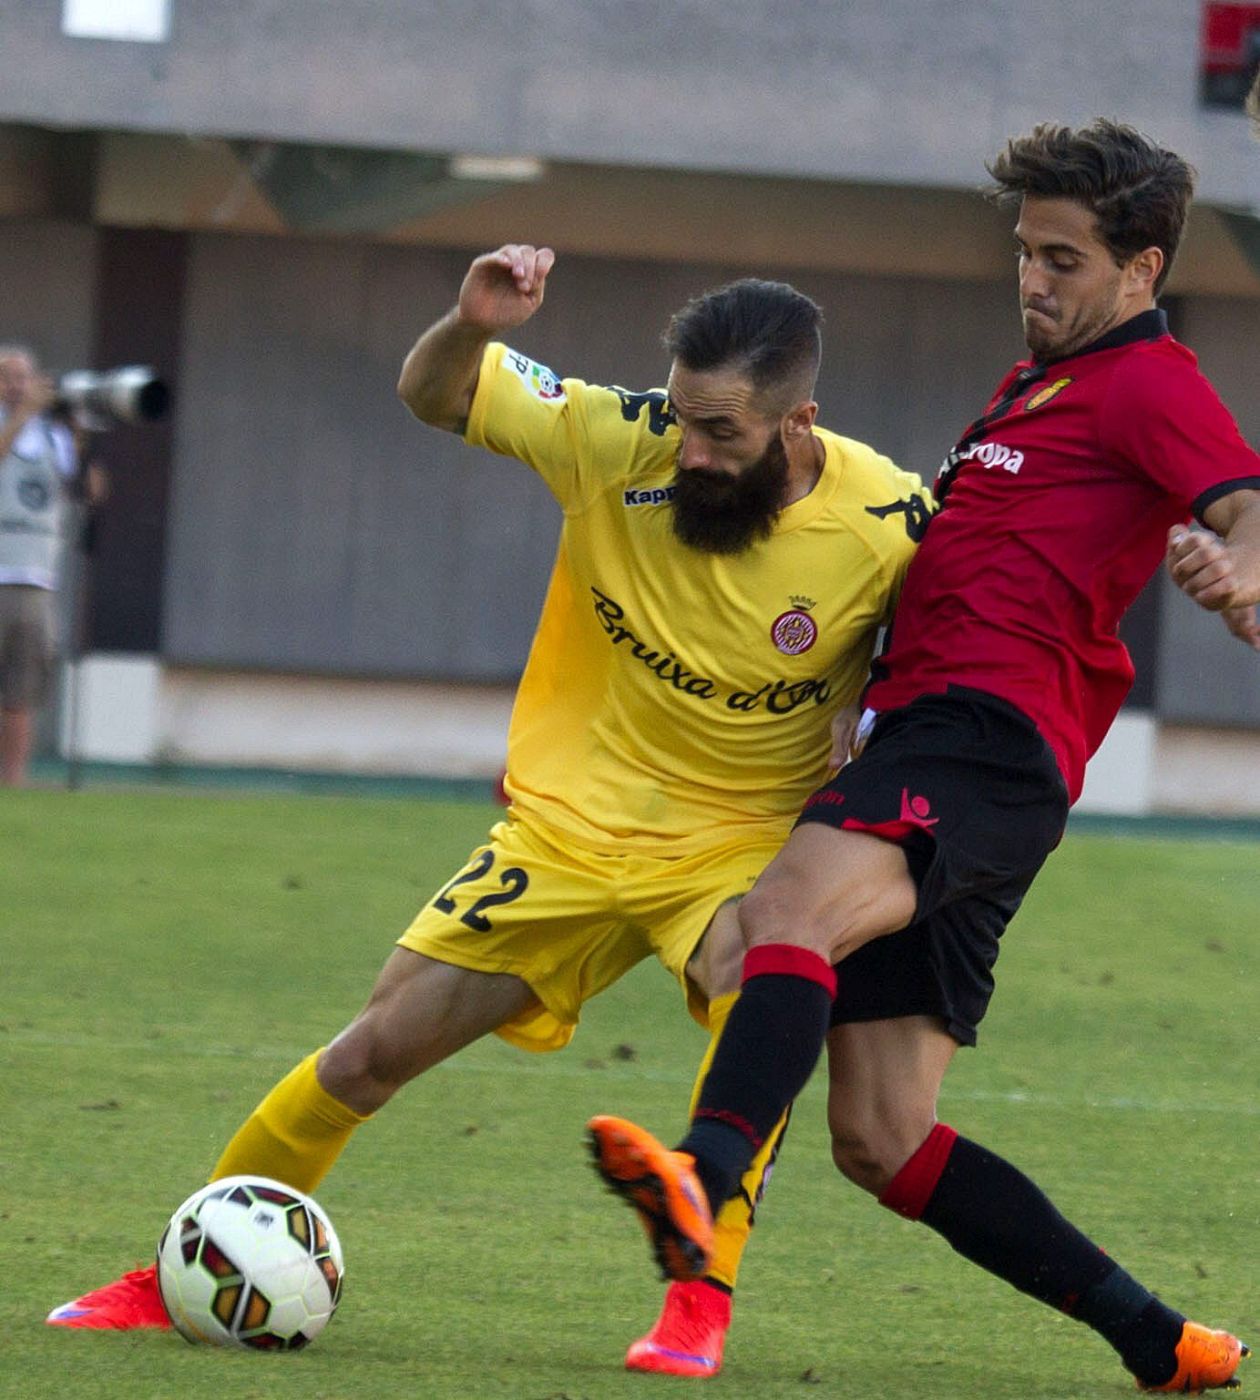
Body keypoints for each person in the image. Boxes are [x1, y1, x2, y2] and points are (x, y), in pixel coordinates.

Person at [48, 245, 934, 1375]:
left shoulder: (891, 521)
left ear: (798, 421)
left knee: (759, 983)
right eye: (683, 419)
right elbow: (435, 394)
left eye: (723, 432)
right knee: (368, 1053)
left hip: (739, 845)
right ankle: (175, 1267)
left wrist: (875, 719)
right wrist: (471, 325)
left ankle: (697, 1302)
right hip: (566, 831)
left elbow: (950, 658)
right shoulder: (616, 437)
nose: (691, 451)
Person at [589, 119, 1260, 1394]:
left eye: (1064, 259)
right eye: (1026, 253)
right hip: (944, 742)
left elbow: (1244, 498)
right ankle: (1163, 1339)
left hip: (986, 736)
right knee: (883, 1136)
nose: (1034, 281)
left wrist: (1245, 570)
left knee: (785, 908)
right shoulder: (1033, 389)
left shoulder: (1147, 381)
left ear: (1142, 269)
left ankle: (702, 1175)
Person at [0, 345, 80, 787]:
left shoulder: (53, 437)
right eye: (7, 377)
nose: (17, 386)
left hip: (37, 579)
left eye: (24, 377)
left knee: (21, 690)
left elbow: (83, 489)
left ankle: (14, 780)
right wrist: (22, 416)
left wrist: (81, 434)